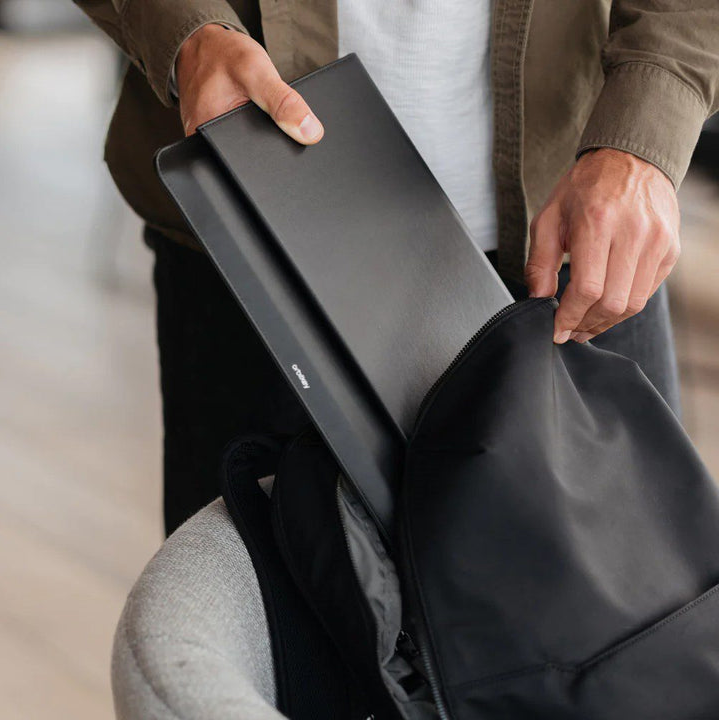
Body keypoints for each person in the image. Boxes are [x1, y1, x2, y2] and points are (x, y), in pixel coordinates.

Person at [76, 0, 719, 534]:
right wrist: (188, 32)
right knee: (266, 655)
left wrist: (646, 134)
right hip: (257, 227)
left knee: (632, 643)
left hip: (580, 237)